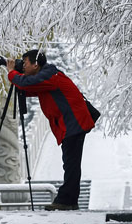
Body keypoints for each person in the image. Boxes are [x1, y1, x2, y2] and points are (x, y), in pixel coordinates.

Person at [5, 49, 95, 211]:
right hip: (71, 123)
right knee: (70, 163)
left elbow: (26, 83)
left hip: (73, 123)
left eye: (25, 63)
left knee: (71, 164)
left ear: (36, 64)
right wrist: (16, 78)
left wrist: (12, 73)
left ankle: (66, 201)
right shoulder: (47, 75)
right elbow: (28, 88)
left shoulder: (48, 75)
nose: (23, 66)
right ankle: (68, 200)